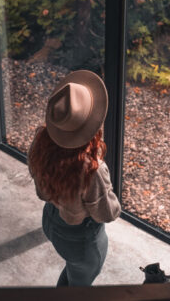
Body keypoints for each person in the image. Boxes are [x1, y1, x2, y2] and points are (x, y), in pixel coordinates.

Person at [28, 70, 121, 287]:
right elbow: (107, 213)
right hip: (81, 239)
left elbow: (41, 190)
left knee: (74, 273)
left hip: (50, 221)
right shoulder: (91, 170)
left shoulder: (41, 141)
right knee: (80, 284)